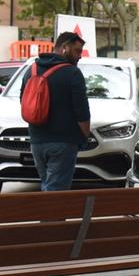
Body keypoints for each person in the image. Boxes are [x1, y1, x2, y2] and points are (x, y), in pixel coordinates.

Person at [26, 31, 92, 192]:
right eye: (77, 51)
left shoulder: (32, 70)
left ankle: (48, 216)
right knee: (56, 193)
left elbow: (25, 102)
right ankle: (51, 218)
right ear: (64, 48)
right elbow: (82, 111)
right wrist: (85, 135)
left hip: (36, 141)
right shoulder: (72, 73)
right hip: (63, 143)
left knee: (48, 186)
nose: (80, 56)